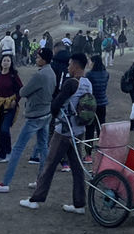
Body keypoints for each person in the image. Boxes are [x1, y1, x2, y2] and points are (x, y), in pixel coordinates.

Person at [20, 52, 92, 213]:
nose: (68, 66)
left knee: (49, 164)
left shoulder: (71, 83)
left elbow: (56, 105)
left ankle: (36, 199)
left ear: (75, 65)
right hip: (79, 129)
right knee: (77, 167)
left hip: (65, 130)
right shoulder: (88, 83)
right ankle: (79, 203)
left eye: (70, 64)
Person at [0, 47, 56, 194]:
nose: (36, 59)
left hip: (35, 116)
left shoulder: (40, 75)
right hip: (46, 113)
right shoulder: (52, 72)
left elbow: (23, 91)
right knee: (43, 147)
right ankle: (41, 180)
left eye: (38, 57)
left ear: (43, 59)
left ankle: (5, 183)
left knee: (17, 149)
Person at [0, 54, 23, 162]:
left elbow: (21, 90)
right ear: (1, 62)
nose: (6, 62)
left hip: (10, 106)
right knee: (0, 129)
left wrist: (15, 100)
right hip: (0, 106)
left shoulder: (13, 76)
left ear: (11, 63)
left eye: (8, 60)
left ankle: (9, 152)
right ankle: (1, 155)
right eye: (4, 60)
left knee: (4, 129)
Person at [83, 55, 109, 162]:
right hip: (102, 103)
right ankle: (103, 153)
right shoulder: (106, 74)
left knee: (89, 129)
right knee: (101, 128)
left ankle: (88, 154)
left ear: (93, 62)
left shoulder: (89, 75)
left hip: (92, 105)